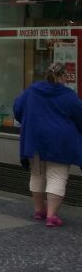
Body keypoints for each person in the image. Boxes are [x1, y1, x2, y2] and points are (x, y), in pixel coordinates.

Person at [13, 62, 82, 228]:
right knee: (56, 176)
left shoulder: (32, 90)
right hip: (60, 141)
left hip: (34, 138)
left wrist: (30, 121)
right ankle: (51, 216)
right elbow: (80, 116)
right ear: (63, 76)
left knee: (37, 174)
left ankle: (39, 210)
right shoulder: (68, 95)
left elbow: (17, 108)